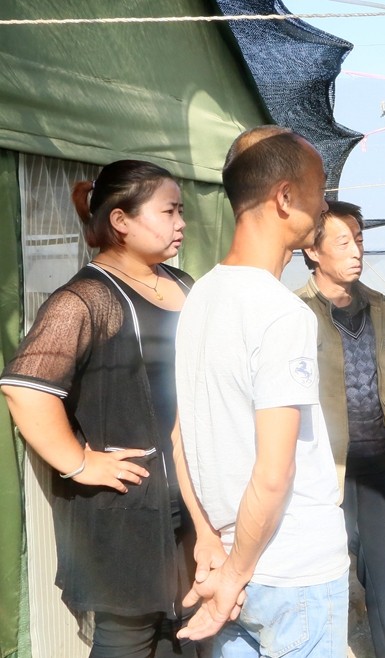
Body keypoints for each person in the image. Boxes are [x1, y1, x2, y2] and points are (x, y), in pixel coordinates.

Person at [0, 160, 195, 657]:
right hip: (127, 508)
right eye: (169, 211)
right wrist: (80, 463)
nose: (181, 223)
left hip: (189, 501)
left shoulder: (183, 284)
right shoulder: (87, 298)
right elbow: (26, 388)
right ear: (121, 221)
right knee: (128, 638)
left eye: (182, 211)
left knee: (182, 637)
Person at [173, 125, 350, 657]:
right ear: (285, 197)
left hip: (234, 562)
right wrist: (233, 574)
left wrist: (210, 540)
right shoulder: (281, 313)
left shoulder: (199, 297)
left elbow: (181, 437)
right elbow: (275, 473)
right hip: (295, 571)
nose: (325, 205)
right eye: (320, 189)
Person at [297, 201, 385, 658]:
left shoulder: (379, 307)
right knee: (320, 571)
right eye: (343, 242)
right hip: (321, 468)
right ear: (312, 251)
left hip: (375, 465)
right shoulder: (296, 312)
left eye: (360, 240)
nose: (356, 251)